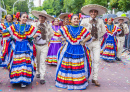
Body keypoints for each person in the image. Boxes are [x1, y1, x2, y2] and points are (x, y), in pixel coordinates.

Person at [0, 12, 41, 87]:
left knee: (25, 62)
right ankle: (16, 79)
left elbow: (38, 32)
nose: (25, 18)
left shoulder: (29, 26)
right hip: (17, 47)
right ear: (19, 18)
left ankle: (24, 80)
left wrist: (32, 37)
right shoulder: (14, 26)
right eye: (23, 17)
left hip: (26, 47)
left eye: (26, 17)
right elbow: (5, 32)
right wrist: (11, 37)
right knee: (16, 62)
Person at [55, 14, 92, 90]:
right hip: (68, 48)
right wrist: (64, 40)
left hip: (78, 49)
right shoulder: (67, 27)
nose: (76, 20)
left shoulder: (82, 28)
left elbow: (89, 35)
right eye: (74, 19)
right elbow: (57, 33)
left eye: (77, 19)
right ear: (70, 20)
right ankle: (68, 81)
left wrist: (83, 41)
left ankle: (77, 83)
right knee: (67, 65)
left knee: (77, 66)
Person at [80, 4, 107, 86]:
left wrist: (97, 37)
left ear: (97, 13)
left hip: (96, 42)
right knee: (86, 60)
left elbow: (103, 31)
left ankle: (95, 78)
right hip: (87, 43)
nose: (93, 13)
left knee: (96, 60)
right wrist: (85, 39)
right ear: (89, 13)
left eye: (95, 12)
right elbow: (81, 31)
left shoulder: (100, 21)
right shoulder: (84, 21)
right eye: (92, 11)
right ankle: (85, 77)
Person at [31, 10, 54, 84]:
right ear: (38, 17)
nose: (41, 18)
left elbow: (51, 34)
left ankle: (42, 76)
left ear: (45, 18)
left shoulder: (48, 25)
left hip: (44, 45)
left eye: (43, 17)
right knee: (37, 60)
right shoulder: (34, 25)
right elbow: (31, 34)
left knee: (43, 61)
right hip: (36, 45)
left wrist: (46, 39)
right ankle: (38, 71)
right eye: (40, 17)